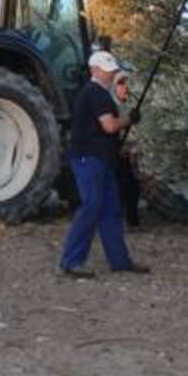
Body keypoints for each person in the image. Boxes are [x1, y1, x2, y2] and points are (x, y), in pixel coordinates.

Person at [59, 51, 151, 278]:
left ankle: (120, 261)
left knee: (110, 210)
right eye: (107, 71)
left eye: (112, 71)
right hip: (89, 159)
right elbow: (109, 126)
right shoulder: (95, 93)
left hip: (101, 159)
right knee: (92, 206)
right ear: (95, 70)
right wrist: (130, 119)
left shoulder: (96, 93)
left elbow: (103, 132)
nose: (111, 75)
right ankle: (71, 262)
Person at [111, 70, 142, 228]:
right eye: (121, 83)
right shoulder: (110, 107)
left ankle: (132, 220)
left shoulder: (134, 107)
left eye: (128, 83)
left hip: (132, 155)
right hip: (116, 155)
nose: (125, 87)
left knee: (133, 187)